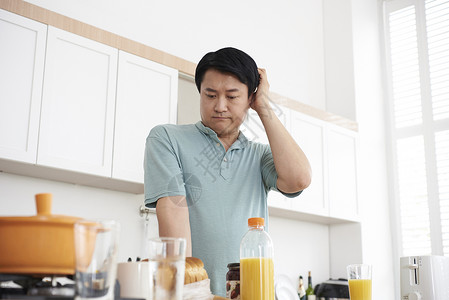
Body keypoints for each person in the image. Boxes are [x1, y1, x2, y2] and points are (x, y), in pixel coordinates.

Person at [144, 47, 311, 296]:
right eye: (210, 95)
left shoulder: (260, 155)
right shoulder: (167, 139)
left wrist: (264, 106)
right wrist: (192, 293)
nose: (220, 106)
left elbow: (299, 179)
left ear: (249, 100)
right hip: (196, 295)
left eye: (232, 97)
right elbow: (173, 212)